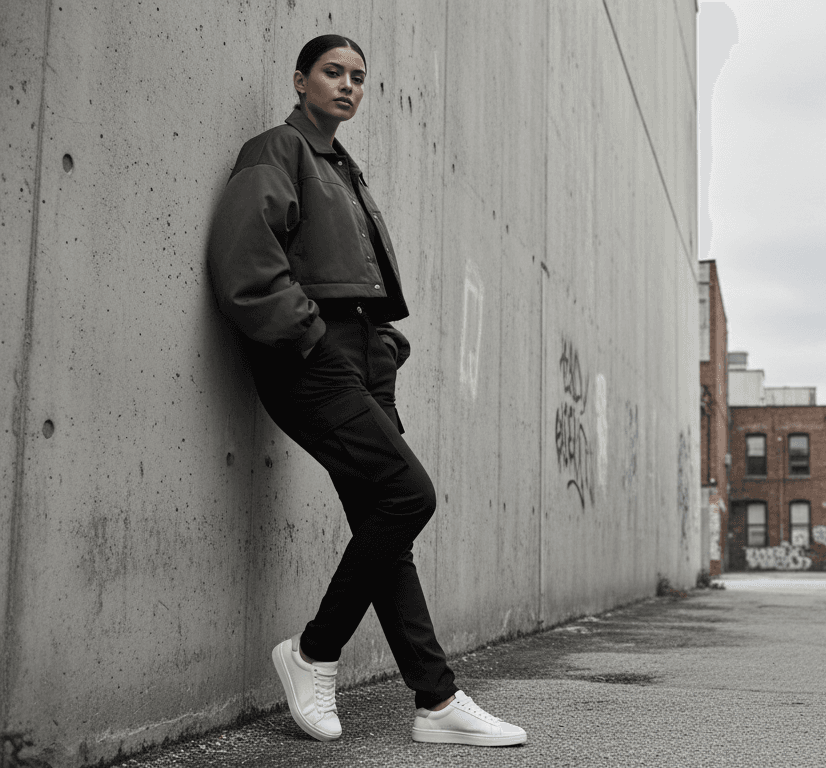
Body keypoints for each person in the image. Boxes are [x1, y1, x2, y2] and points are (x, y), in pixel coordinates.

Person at [206, 34, 525, 747]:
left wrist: (381, 347)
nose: (348, 85)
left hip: (357, 358)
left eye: (358, 76)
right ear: (300, 79)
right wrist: (311, 336)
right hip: (309, 357)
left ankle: (436, 702)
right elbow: (245, 262)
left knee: (388, 527)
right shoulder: (277, 151)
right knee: (411, 496)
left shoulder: (344, 167)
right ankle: (314, 651)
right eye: (332, 73)